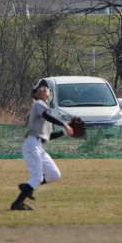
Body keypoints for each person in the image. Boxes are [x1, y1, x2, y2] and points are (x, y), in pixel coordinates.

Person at [11, 80, 73, 211]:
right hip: (32, 144)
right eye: (41, 88)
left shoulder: (45, 112)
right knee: (37, 177)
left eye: (46, 88)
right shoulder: (38, 104)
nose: (44, 89)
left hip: (38, 145)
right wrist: (64, 124)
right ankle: (17, 203)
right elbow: (47, 116)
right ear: (35, 94)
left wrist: (65, 132)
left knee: (54, 174)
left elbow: (48, 136)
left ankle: (27, 187)